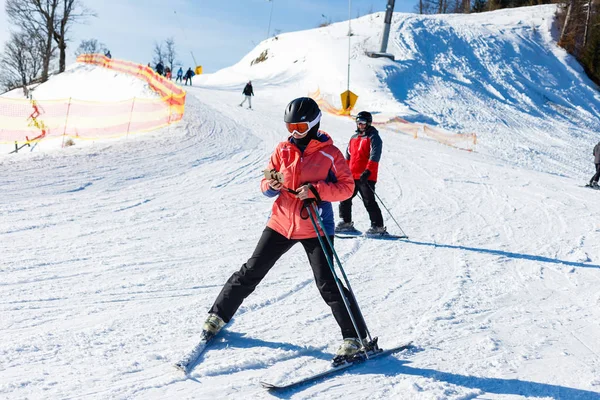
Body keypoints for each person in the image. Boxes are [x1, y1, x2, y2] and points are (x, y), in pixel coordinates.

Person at [201, 97, 368, 360]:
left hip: (316, 226)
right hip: (281, 221)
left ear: (313, 125)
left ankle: (355, 337)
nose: (294, 133)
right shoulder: (283, 149)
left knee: (327, 283)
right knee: (251, 270)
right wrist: (271, 186)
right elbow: (265, 181)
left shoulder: (330, 153)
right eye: (290, 128)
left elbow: (347, 188)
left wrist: (316, 191)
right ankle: (217, 316)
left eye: (299, 128)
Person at [336, 111, 386, 235]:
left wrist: (368, 171)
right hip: (352, 175)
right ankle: (345, 222)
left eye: (363, 123)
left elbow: (375, 155)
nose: (360, 125)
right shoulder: (353, 138)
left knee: (368, 201)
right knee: (345, 197)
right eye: (358, 122)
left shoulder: (374, 137)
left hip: (366, 176)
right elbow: (348, 156)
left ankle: (377, 226)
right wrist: (344, 172)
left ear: (368, 123)